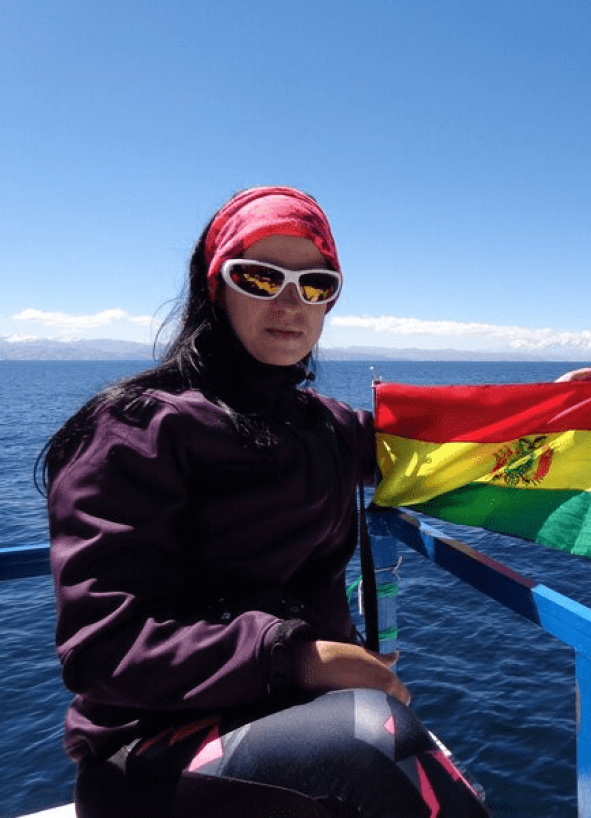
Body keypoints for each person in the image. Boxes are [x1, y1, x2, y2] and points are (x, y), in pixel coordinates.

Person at [42, 187, 495, 817]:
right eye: (260, 277)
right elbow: (103, 646)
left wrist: (558, 415)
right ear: (214, 289)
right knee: (374, 742)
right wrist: (298, 656)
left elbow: (434, 449)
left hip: (292, 721)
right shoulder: (137, 430)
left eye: (315, 284)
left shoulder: (323, 427)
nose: (290, 303)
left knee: (394, 750)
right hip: (153, 747)